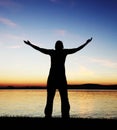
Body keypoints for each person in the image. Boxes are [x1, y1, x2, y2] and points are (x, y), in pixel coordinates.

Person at [24, 37, 92, 118]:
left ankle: (63, 116)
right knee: (54, 100)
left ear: (59, 46)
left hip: (58, 79)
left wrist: (86, 43)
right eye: (58, 45)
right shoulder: (59, 52)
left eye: (59, 45)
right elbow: (40, 49)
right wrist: (30, 44)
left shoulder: (57, 52)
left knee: (61, 100)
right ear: (59, 46)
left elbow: (76, 49)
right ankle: (51, 116)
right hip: (55, 79)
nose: (58, 46)